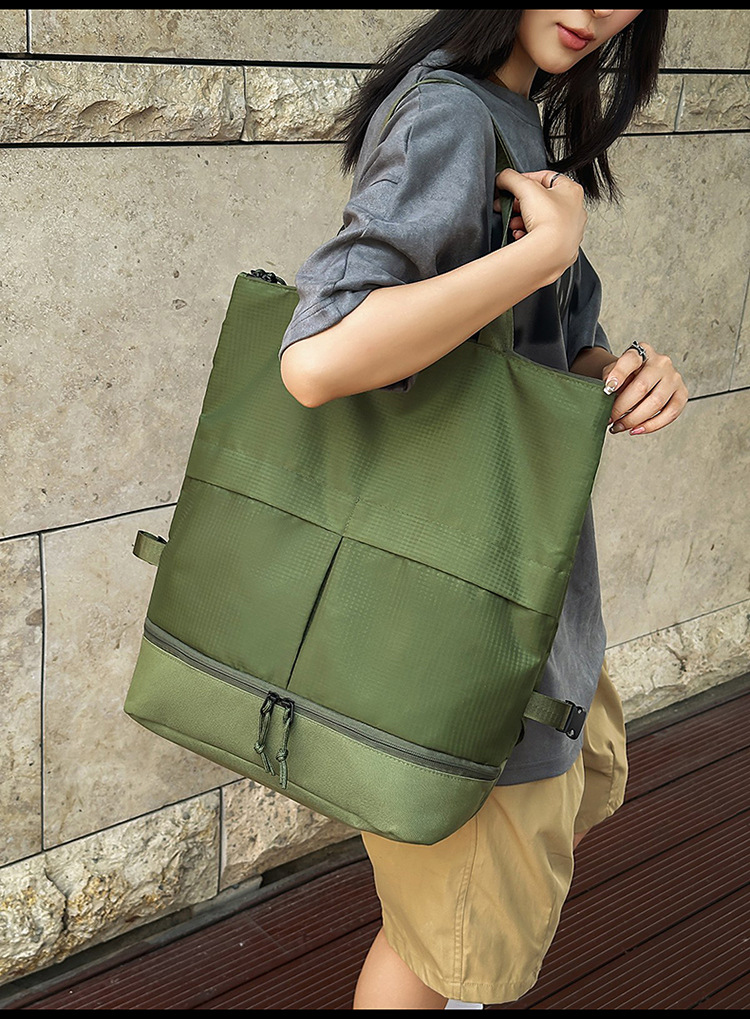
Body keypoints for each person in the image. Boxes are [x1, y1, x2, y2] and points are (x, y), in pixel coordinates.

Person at [278, 9, 688, 1010]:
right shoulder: (454, 117)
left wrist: (617, 372)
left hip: (506, 605)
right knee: (443, 951)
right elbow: (319, 354)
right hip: (461, 626)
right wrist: (540, 256)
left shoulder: (511, 111)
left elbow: (533, 348)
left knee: (442, 936)